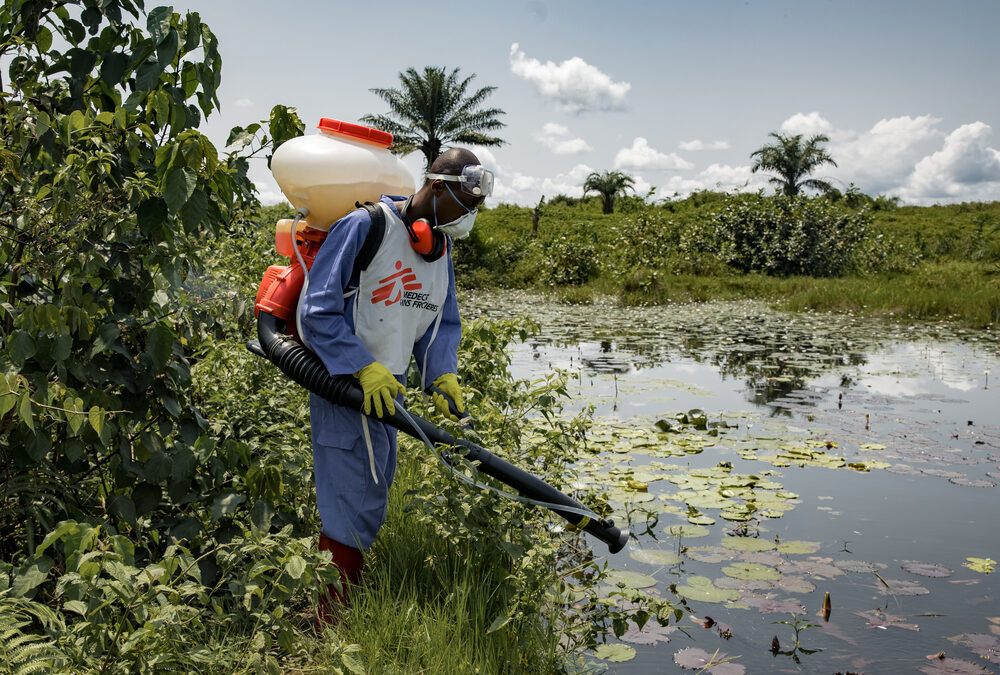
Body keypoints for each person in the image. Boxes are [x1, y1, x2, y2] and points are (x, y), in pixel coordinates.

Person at [299, 147, 493, 617]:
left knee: (373, 487)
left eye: (475, 208)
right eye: (463, 204)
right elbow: (317, 309)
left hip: (392, 387)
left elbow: (441, 323)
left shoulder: (438, 250)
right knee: (352, 495)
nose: (467, 216)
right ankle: (330, 620)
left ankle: (342, 601)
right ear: (435, 187)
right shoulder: (366, 227)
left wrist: (441, 372)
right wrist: (361, 365)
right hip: (345, 382)